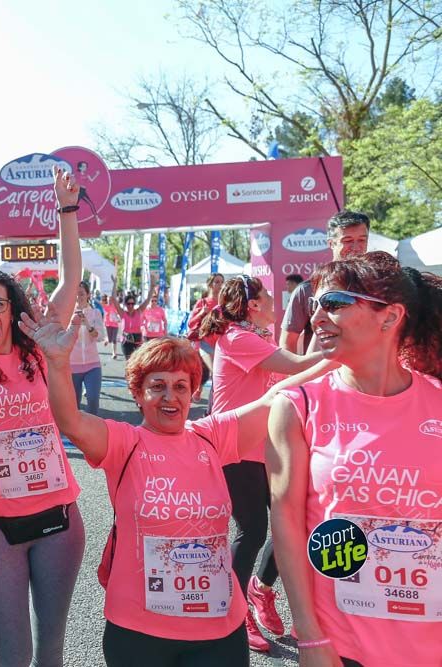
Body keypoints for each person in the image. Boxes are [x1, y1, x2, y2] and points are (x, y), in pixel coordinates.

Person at [19, 309, 330, 667]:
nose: (171, 397)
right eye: (158, 386)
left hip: (217, 630)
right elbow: (70, 420)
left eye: (181, 386)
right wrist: (58, 364)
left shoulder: (211, 437)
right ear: (137, 393)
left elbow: (276, 397)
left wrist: (336, 358)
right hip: (138, 630)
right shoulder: (124, 442)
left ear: (193, 392)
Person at [269, 252, 442, 667]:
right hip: (340, 645)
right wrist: (308, 636)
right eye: (316, 305)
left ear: (389, 317)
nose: (317, 318)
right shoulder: (298, 406)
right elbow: (287, 523)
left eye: (335, 304)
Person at [0, 165, 85, 667]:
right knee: (14, 655)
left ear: (12, 309)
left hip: (59, 520)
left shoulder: (40, 341)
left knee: (50, 651)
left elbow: (71, 278)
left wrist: (66, 209)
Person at [196, 275, 324, 652]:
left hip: (264, 447)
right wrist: (341, 346)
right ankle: (236, 613)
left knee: (295, 525)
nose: (274, 301)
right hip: (234, 445)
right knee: (250, 531)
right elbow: (296, 365)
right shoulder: (238, 338)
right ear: (253, 305)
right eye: (268, 296)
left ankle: (261, 589)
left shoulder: (253, 336)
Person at [280, 210, 369, 354]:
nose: (356, 247)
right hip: (323, 373)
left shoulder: (375, 286)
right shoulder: (307, 290)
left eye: (361, 240)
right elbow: (288, 343)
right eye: (347, 241)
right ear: (331, 243)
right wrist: (302, 375)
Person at [70, 280, 108, 416]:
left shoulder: (95, 313)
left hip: (92, 365)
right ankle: (76, 434)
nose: (78, 297)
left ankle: (91, 433)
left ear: (88, 295)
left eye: (81, 294)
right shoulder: (67, 313)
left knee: (92, 400)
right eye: (75, 294)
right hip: (72, 365)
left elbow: (100, 336)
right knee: (74, 405)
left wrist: (86, 322)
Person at [104, 288, 153, 359]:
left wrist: (152, 285)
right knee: (129, 362)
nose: (130, 306)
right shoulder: (123, 313)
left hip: (138, 342)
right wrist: (115, 283)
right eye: (128, 304)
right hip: (126, 342)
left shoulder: (139, 311)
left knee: (138, 362)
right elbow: (114, 299)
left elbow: (148, 299)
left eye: (132, 304)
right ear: (126, 304)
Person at [102, 293, 122, 359]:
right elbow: (100, 304)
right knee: (110, 339)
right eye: (109, 300)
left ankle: (114, 353)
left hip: (115, 325)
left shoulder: (116, 306)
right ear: (107, 300)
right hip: (108, 324)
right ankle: (107, 340)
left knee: (114, 339)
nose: (110, 301)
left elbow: (119, 313)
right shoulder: (106, 306)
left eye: (111, 300)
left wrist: (118, 318)